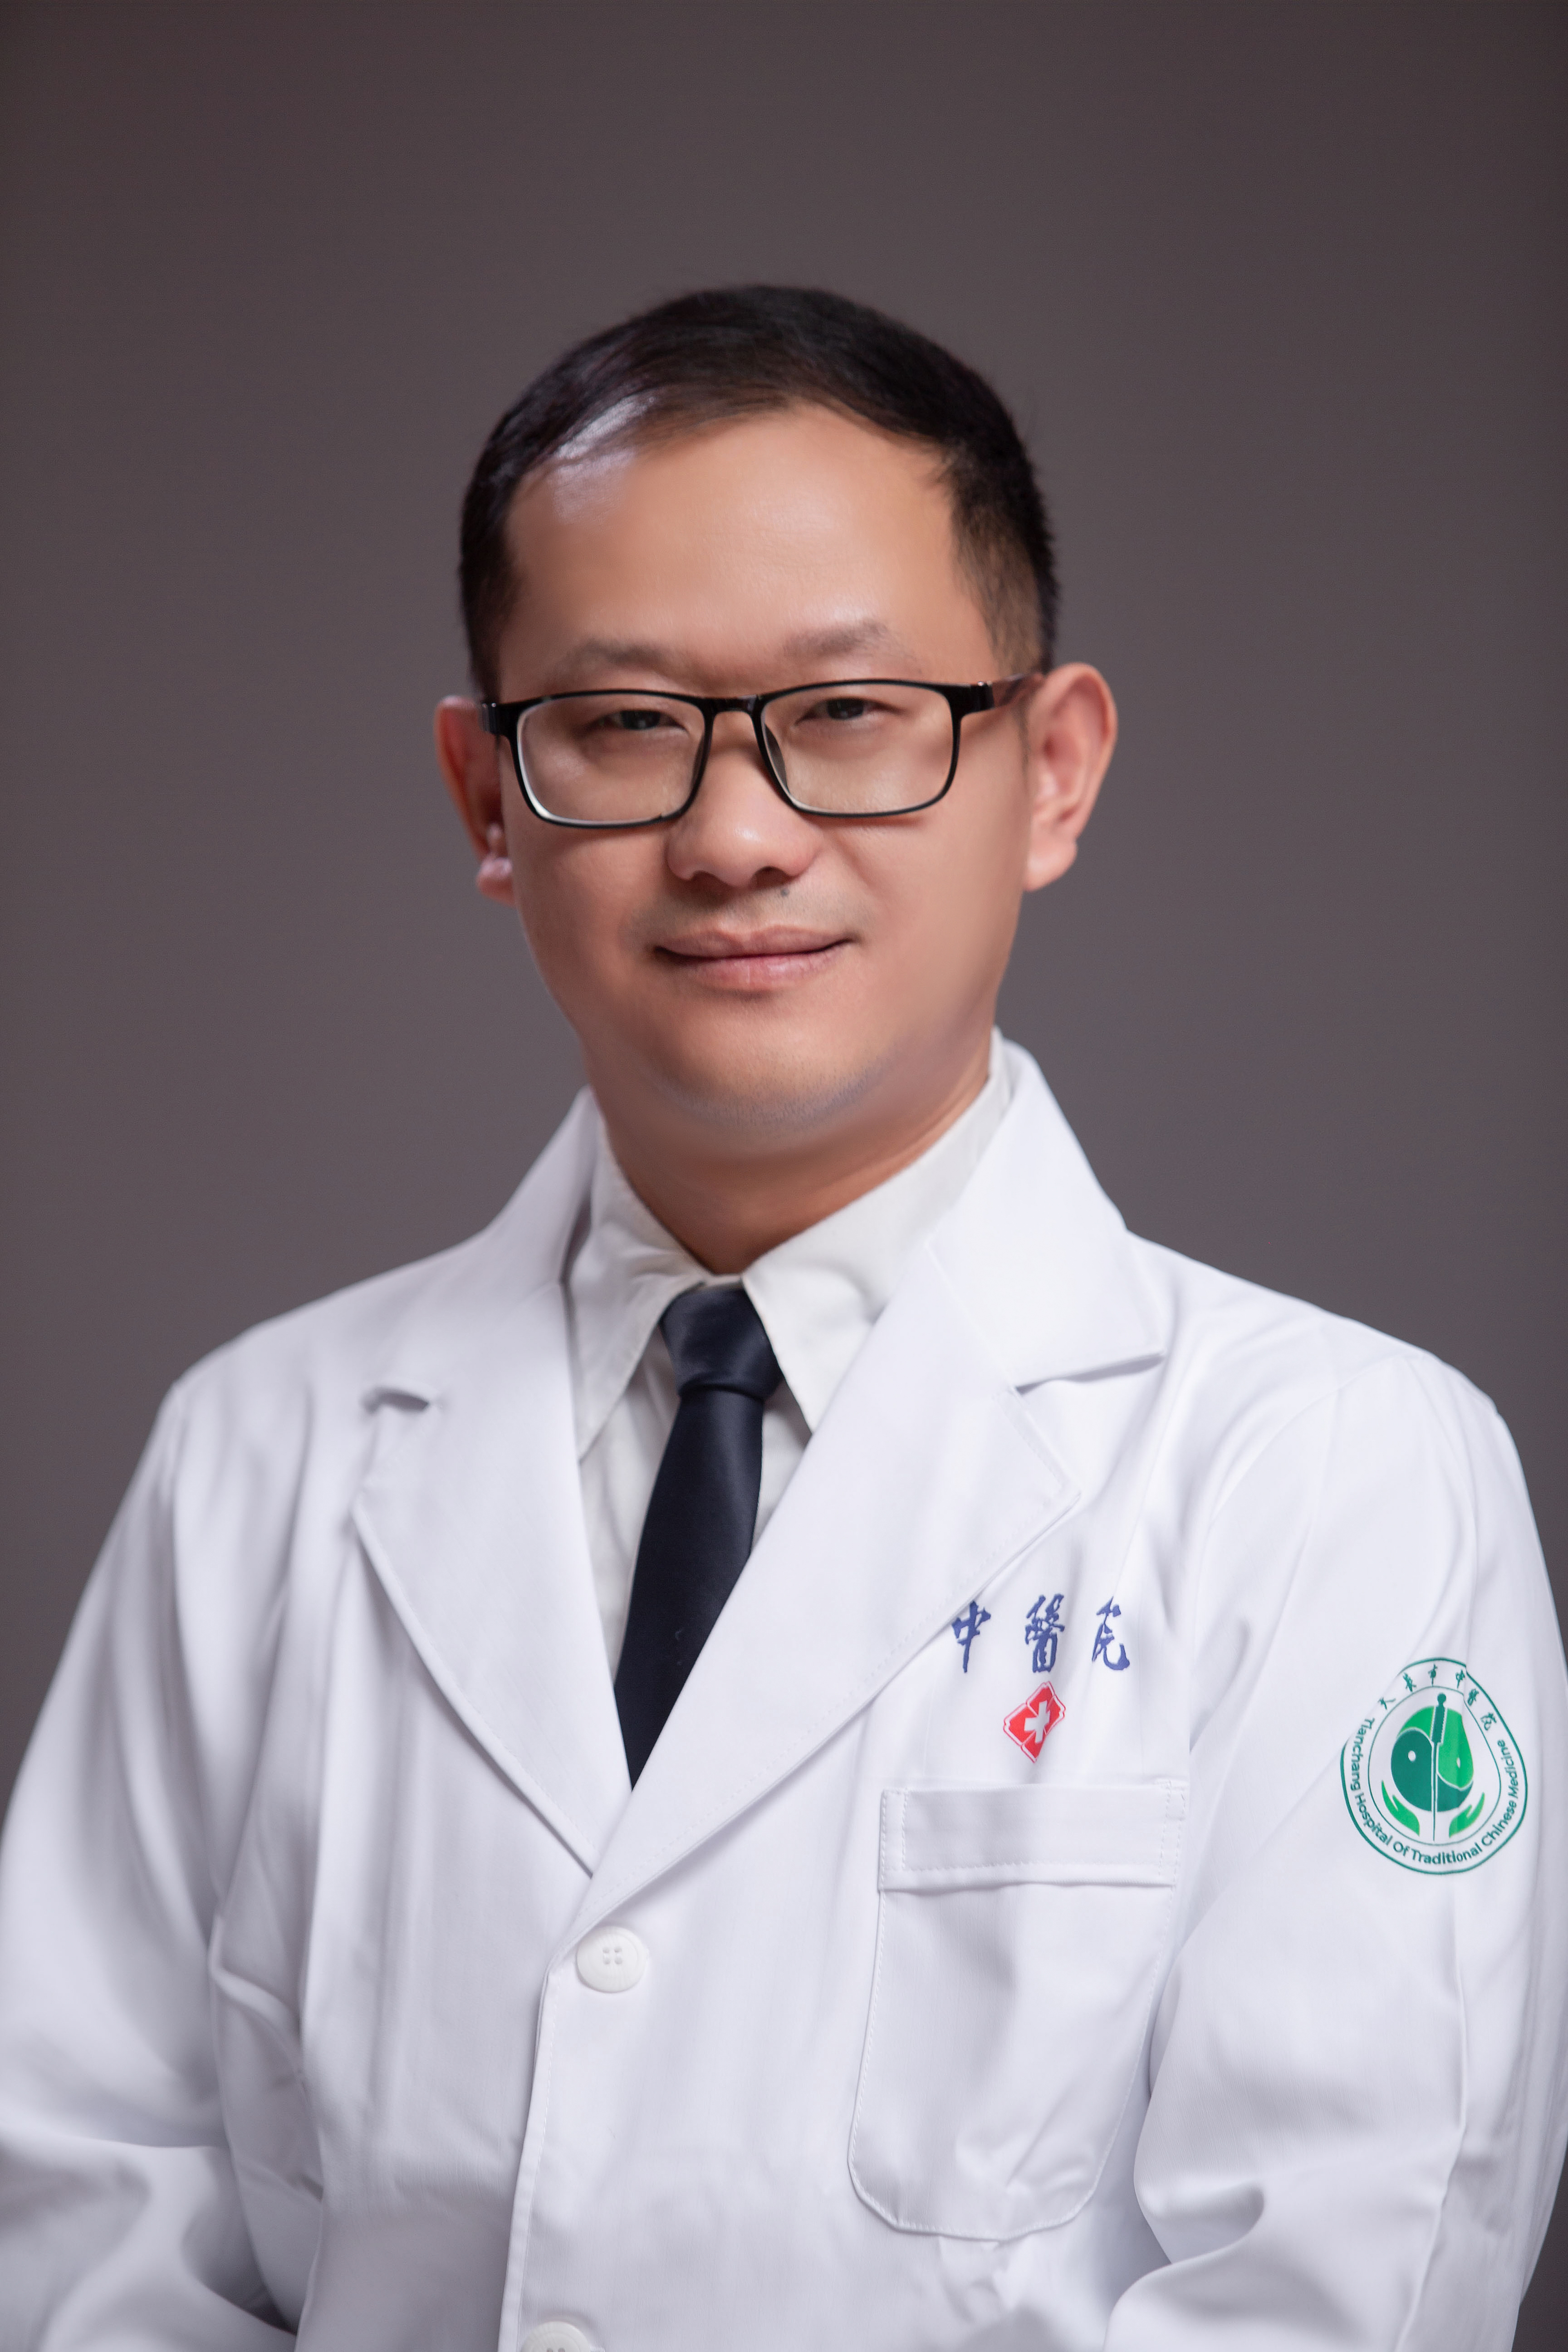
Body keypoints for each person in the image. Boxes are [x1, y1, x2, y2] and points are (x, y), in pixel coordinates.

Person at [0, 285, 1563, 2352]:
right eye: (623, 725)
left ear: (1052, 772)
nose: (736, 837)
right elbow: (81, 2223)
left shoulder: (1338, 1481)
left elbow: (1331, 2292)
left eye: (849, 714)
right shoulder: (257, 1452)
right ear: (488, 797)